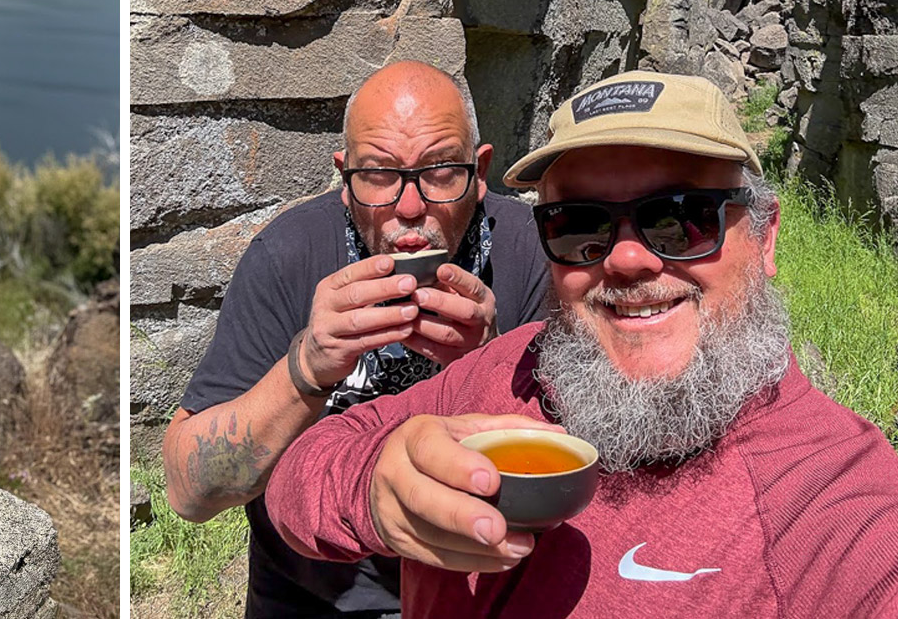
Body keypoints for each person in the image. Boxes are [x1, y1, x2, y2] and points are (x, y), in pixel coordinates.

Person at [265, 70, 898, 617]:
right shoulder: (520, 369)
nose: (625, 258)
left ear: (764, 239)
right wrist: (377, 490)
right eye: (579, 227)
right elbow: (297, 480)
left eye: (681, 218)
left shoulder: (832, 500)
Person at [163, 61, 552, 617]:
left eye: (441, 171)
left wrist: (493, 362)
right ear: (345, 179)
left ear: (481, 169)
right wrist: (306, 369)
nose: (410, 207)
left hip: (485, 584)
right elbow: (188, 491)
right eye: (378, 175)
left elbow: (583, 462)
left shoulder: (531, 249)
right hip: (315, 594)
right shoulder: (288, 256)